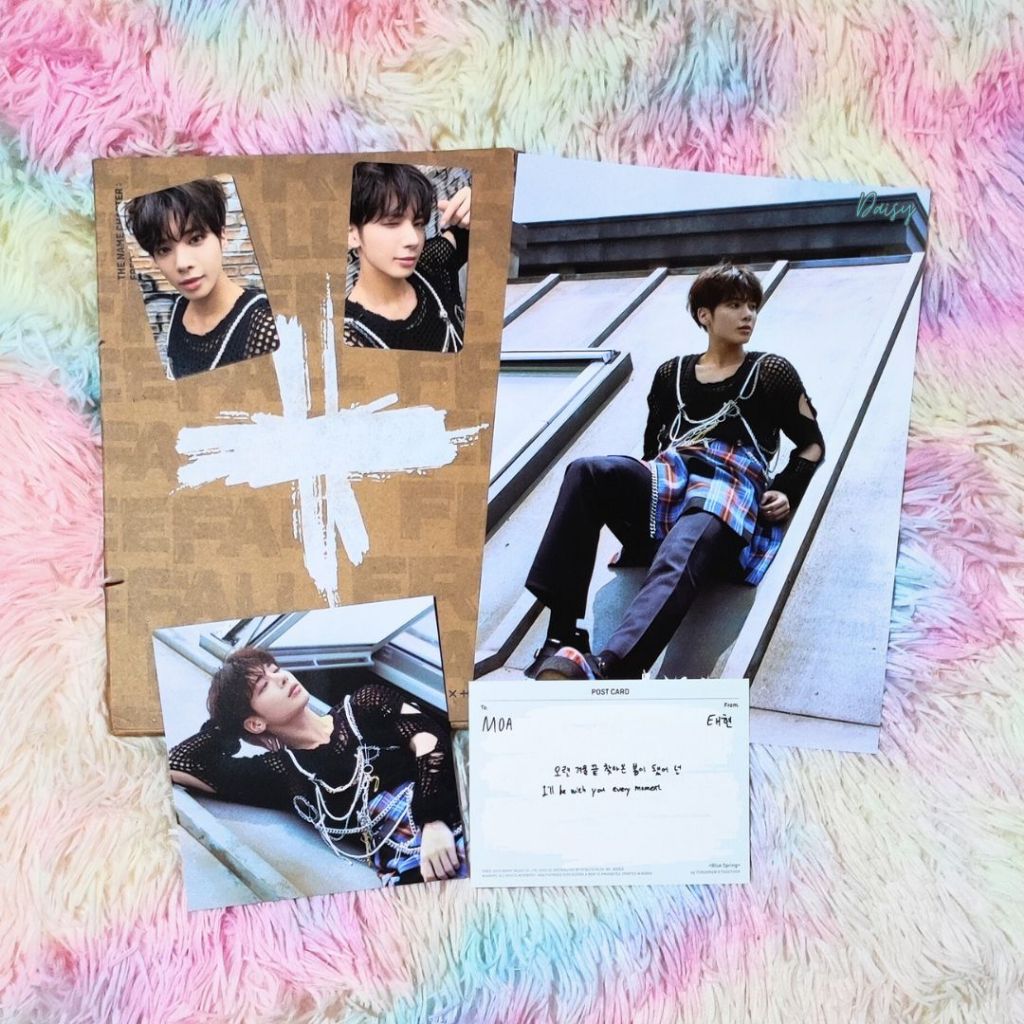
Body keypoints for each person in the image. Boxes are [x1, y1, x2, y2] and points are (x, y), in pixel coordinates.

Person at [527, 262, 826, 682]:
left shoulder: (771, 371)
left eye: (752, 306)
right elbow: (652, 451)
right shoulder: (671, 374)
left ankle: (615, 665)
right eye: (735, 305)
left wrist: (787, 490)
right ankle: (562, 635)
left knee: (696, 525)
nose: (748, 315)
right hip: (670, 478)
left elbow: (812, 443)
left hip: (729, 486)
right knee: (587, 471)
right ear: (705, 314)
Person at [168, 647, 467, 886]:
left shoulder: (364, 704)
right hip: (410, 871)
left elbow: (430, 740)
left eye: (275, 670)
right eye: (263, 685)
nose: (282, 678)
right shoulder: (285, 773)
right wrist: (227, 724)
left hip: (457, 823)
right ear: (255, 722)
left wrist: (433, 821)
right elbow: (181, 762)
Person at [123, 178, 279, 378]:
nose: (182, 263)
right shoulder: (180, 307)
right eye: (164, 249)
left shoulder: (263, 325)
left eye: (195, 239)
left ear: (222, 236)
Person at [344, 162, 470, 353]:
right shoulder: (350, 339)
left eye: (418, 224)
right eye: (392, 224)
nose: (413, 240)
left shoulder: (430, 267)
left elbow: (470, 237)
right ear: (352, 234)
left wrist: (479, 206)